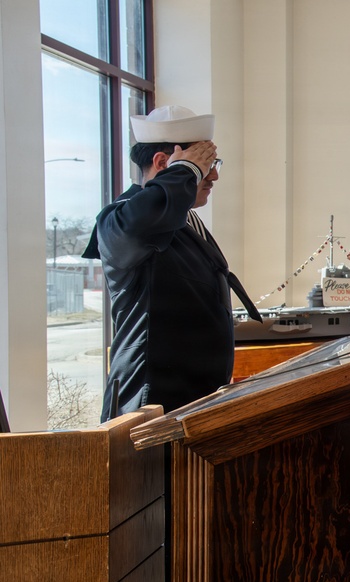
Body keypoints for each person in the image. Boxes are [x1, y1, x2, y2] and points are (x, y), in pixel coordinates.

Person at [82, 105, 260, 421]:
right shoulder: (120, 219)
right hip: (149, 409)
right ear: (164, 163)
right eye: (205, 164)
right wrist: (185, 172)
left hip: (192, 403)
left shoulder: (186, 221)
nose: (214, 175)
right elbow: (141, 222)